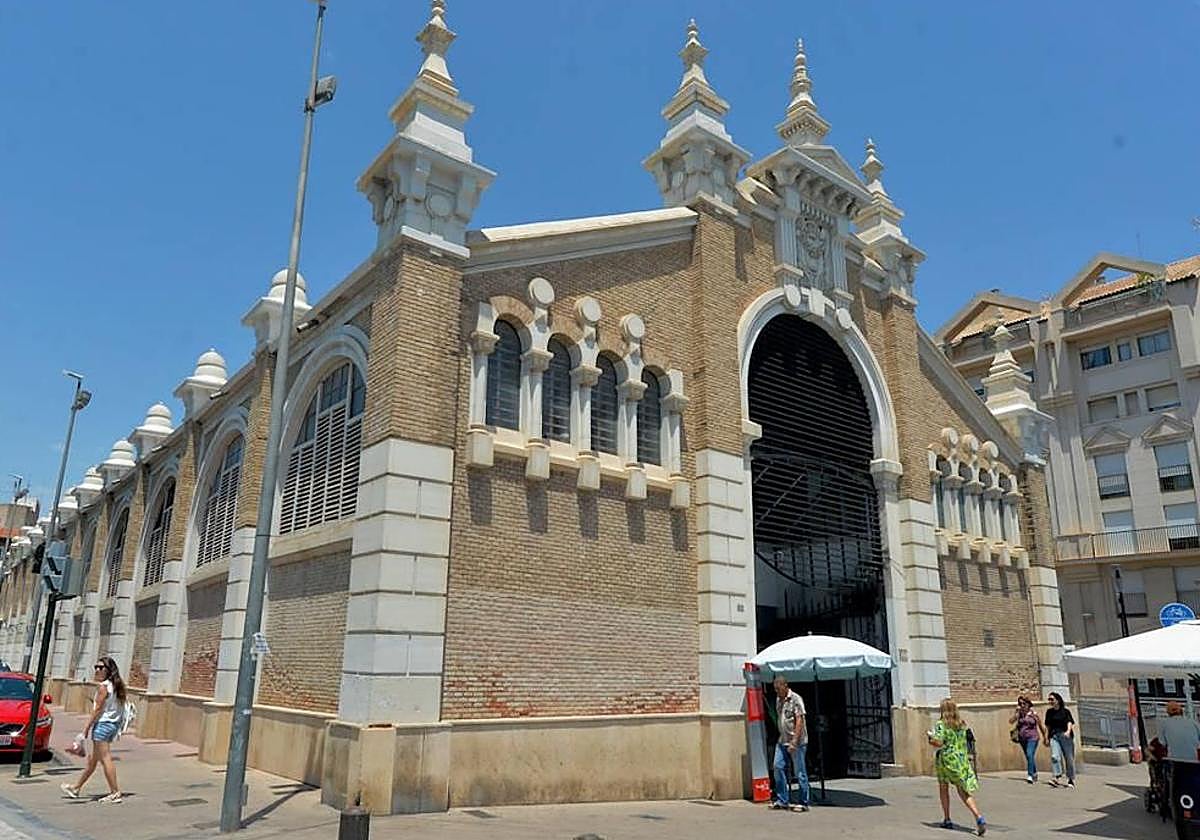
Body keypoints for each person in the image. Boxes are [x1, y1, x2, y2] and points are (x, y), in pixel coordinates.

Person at [60, 656, 125, 803]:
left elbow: (97, 711)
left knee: (106, 758)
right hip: (111, 725)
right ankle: (76, 788)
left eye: (101, 668)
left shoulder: (103, 687)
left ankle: (115, 792)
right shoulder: (115, 686)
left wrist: (85, 729)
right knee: (92, 761)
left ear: (108, 670)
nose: (97, 670)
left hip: (102, 725)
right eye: (96, 667)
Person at [929, 698, 987, 835]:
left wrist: (930, 738)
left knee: (943, 787)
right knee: (963, 790)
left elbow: (938, 742)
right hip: (961, 759)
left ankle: (947, 818)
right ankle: (978, 816)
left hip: (946, 759)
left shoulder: (941, 724)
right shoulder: (962, 724)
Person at [770, 675, 810, 812]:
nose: (777, 691)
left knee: (799, 771)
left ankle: (803, 802)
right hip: (783, 740)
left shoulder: (796, 699)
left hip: (796, 741)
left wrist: (794, 741)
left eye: (778, 688)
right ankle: (782, 800)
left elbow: (799, 720)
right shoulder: (778, 700)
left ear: (785, 686)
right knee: (777, 766)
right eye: (775, 689)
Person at [1009, 695, 1046, 783]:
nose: (1022, 705)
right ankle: (1034, 772)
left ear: (1028, 704)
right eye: (1020, 703)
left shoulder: (1033, 714)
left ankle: (1030, 775)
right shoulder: (1020, 714)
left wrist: (1045, 737)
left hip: (1033, 737)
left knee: (1029, 754)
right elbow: (1010, 721)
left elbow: (1040, 725)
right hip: (1022, 738)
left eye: (1024, 703)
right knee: (1029, 756)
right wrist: (1016, 713)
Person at [1044, 691, 1076, 787]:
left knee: (1069, 758)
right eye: (1049, 699)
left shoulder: (1065, 711)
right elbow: (1047, 726)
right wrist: (1046, 738)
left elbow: (1069, 722)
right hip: (1054, 736)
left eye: (1052, 699)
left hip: (1065, 736)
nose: (1050, 701)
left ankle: (1070, 779)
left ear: (1058, 700)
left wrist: (1068, 731)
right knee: (1055, 756)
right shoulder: (1049, 712)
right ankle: (1056, 777)